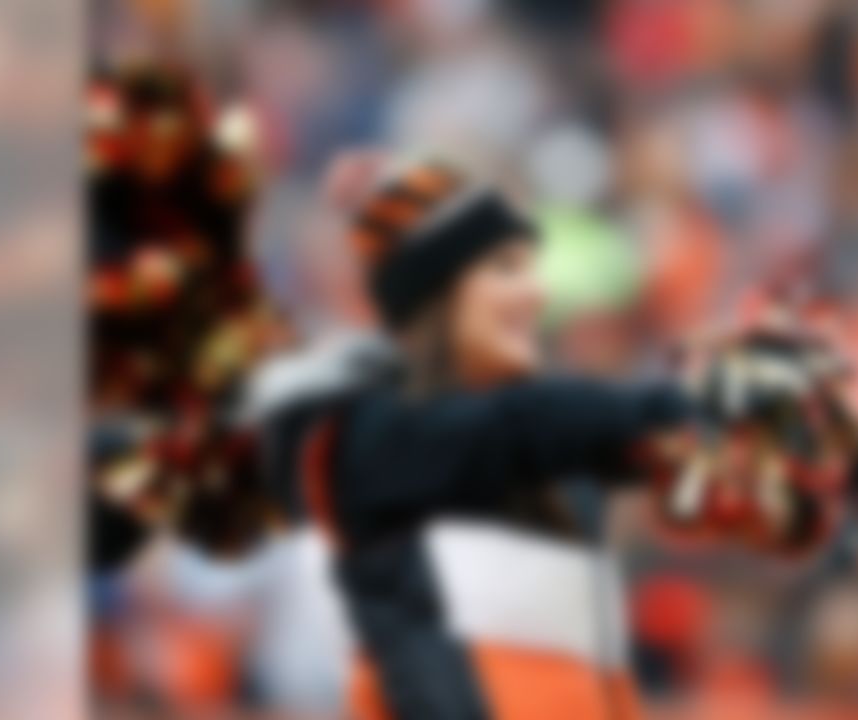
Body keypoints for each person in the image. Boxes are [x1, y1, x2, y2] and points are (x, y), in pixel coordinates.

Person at [267, 158, 826, 720]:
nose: (534, 294)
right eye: (502, 269)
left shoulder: (557, 454)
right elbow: (523, 426)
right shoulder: (373, 430)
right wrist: (697, 401)